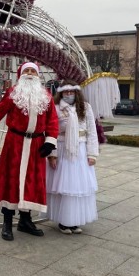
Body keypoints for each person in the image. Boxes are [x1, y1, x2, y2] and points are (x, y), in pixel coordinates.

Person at [0, 62, 59, 241]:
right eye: (27, 70)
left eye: (33, 70)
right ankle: (7, 222)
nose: (30, 73)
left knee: (32, 182)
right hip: (15, 143)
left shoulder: (46, 95)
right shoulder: (13, 94)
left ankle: (26, 220)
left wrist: (50, 142)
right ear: (20, 74)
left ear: (38, 75)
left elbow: (52, 120)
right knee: (10, 181)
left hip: (36, 144)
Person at [45, 81, 99, 234]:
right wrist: (52, 155)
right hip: (63, 149)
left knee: (78, 187)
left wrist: (92, 154)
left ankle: (74, 220)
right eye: (65, 92)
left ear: (76, 92)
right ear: (61, 93)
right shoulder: (55, 109)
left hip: (80, 150)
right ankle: (63, 221)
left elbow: (92, 132)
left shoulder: (86, 108)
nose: (69, 94)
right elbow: (52, 132)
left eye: (71, 91)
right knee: (64, 186)